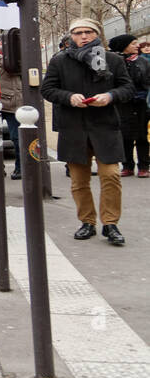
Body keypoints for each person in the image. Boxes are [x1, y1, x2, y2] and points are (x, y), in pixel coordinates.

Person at [41, 19, 135, 246]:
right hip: (73, 128)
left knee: (111, 175)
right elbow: (48, 89)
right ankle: (87, 222)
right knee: (79, 181)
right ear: (71, 36)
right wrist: (69, 97)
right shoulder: (60, 61)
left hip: (105, 126)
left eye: (88, 32)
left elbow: (127, 88)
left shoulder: (112, 59)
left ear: (97, 33)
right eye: (78, 32)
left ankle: (111, 223)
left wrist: (110, 96)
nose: (83, 36)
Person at [109, 33, 149, 177]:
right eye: (133, 43)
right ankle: (127, 166)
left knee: (142, 136)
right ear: (124, 46)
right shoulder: (114, 62)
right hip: (122, 104)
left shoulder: (144, 62)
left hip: (140, 103)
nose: (137, 46)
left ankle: (144, 166)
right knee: (124, 135)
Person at [0, 48, 23, 180]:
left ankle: (20, 168)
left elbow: (5, 64)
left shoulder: (13, 64)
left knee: (16, 138)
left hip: (12, 105)